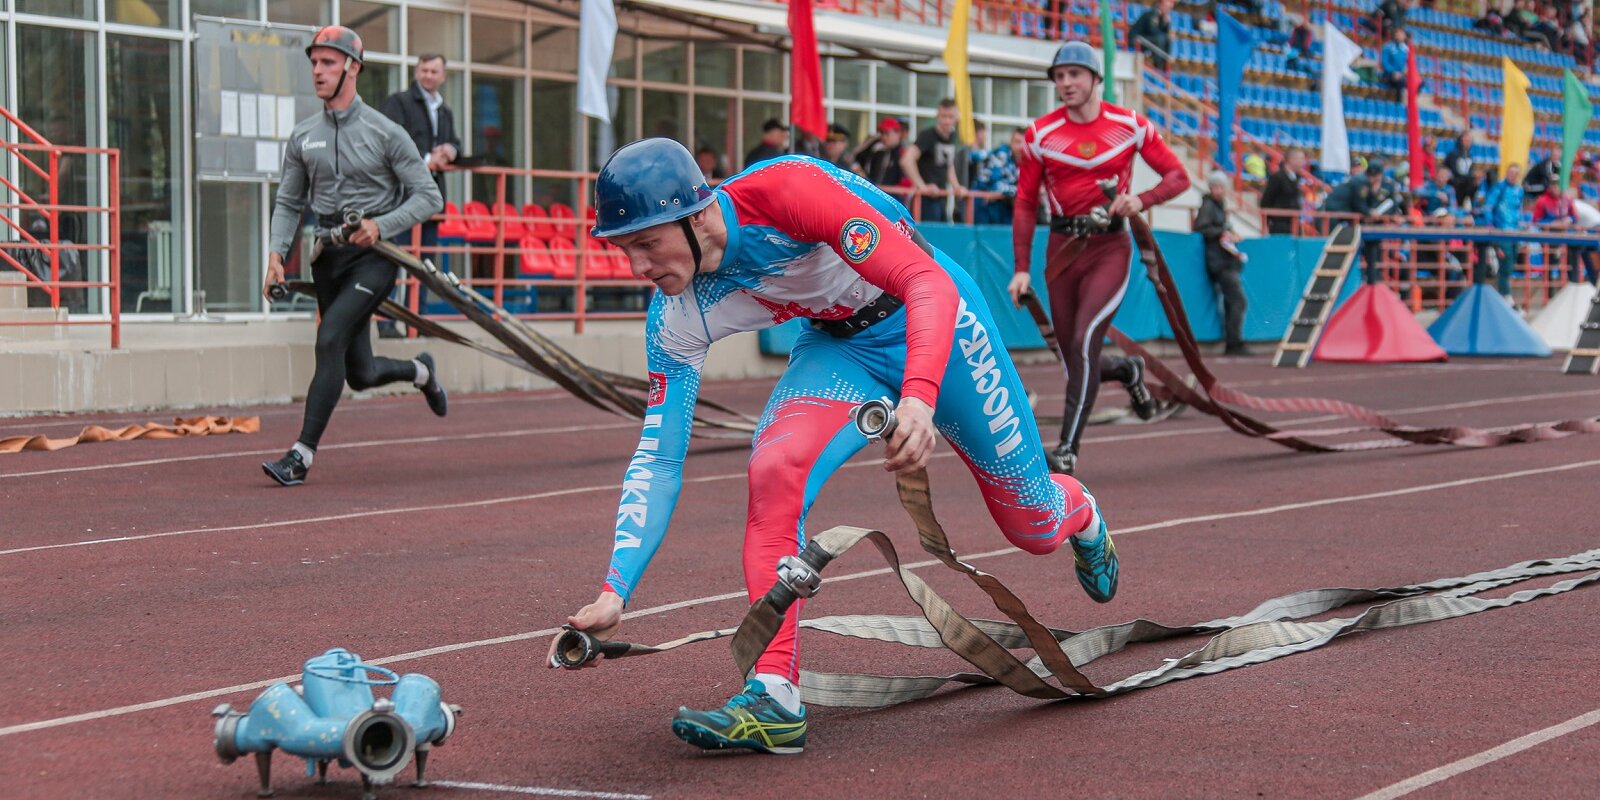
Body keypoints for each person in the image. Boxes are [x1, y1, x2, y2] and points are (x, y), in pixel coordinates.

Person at [549, 139, 1121, 755]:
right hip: (838, 349)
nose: (637, 267)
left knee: (1031, 526)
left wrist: (920, 399)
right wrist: (616, 588)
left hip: (934, 320)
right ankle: (774, 695)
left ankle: (1079, 512)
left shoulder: (786, 191)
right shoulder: (675, 313)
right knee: (773, 470)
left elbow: (925, 280)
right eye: (623, 248)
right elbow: (658, 455)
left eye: (645, 243)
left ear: (695, 214)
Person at [260, 26, 448, 486]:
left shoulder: (387, 132)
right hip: (328, 259)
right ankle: (421, 371)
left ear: (352, 67)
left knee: (329, 342)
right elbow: (288, 203)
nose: (317, 71)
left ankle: (299, 456)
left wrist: (379, 225)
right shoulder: (304, 136)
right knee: (359, 373)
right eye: (314, 62)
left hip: (375, 258)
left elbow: (429, 198)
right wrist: (274, 256)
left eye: (327, 62)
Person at [1007, 40, 1189, 475]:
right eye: (1060, 76)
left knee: (1085, 341)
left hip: (1109, 248)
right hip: (1062, 251)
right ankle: (1128, 371)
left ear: (1094, 79)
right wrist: (1020, 269)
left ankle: (1067, 450)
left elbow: (1178, 177)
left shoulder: (1131, 125)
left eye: (1075, 74)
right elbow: (1025, 204)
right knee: (1075, 357)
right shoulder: (1040, 134)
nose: (1066, 83)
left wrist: (1140, 199)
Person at [379, 53, 462, 338]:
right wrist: (426, 159)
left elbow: (455, 142)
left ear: (443, 76)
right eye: (424, 70)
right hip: (401, 197)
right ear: (417, 72)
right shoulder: (398, 102)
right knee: (394, 259)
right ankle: (387, 322)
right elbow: (388, 141)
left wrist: (450, 150)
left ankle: (419, 320)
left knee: (426, 263)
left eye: (434, 71)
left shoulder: (445, 110)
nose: (428, 75)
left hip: (431, 198)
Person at [1197, 172, 1249, 356]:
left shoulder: (1216, 205)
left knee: (1233, 301)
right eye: (1216, 186)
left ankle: (1233, 342)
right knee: (1238, 300)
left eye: (1221, 186)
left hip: (1223, 260)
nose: (1219, 190)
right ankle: (1234, 342)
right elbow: (1202, 227)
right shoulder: (1209, 206)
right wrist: (1223, 233)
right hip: (1220, 262)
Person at [898, 98, 967, 222]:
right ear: (937, 116)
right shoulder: (927, 135)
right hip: (925, 201)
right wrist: (922, 187)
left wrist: (956, 186)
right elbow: (906, 160)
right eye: (943, 116)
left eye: (950, 117)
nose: (947, 121)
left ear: (956, 118)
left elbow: (948, 164)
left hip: (940, 198)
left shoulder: (952, 137)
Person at [1320, 161, 1385, 283]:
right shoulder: (1362, 182)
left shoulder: (1362, 180)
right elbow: (1360, 205)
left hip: (1336, 216)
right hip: (1333, 217)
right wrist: (1370, 212)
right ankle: (1371, 278)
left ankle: (1371, 277)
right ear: (1378, 175)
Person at [1482, 162, 1525, 297]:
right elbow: (1488, 206)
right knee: (1505, 263)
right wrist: (1490, 225)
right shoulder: (1499, 188)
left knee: (1511, 264)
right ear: (1506, 173)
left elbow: (1519, 210)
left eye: (1516, 174)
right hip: (1501, 232)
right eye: (1511, 173)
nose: (1513, 176)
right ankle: (1504, 295)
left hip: (1515, 232)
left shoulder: (1519, 190)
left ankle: (1503, 294)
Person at [968, 125, 1023, 225]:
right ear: (1011, 142)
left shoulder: (1025, 161)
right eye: (1017, 142)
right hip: (984, 202)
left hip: (1003, 204)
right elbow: (997, 187)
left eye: (1024, 143)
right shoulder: (1002, 154)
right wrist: (1018, 190)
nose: (1020, 147)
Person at [1259, 148, 1307, 235]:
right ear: (1292, 159)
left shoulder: (1296, 177)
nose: (1303, 162)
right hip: (1280, 226)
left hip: (1294, 223)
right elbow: (1266, 200)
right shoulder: (1277, 177)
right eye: (1301, 159)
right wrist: (1268, 222)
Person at [851, 117, 906, 187]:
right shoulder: (877, 152)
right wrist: (870, 141)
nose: (883, 137)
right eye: (881, 133)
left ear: (897, 133)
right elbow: (856, 157)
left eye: (886, 133)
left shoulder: (903, 154)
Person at [1128, 0, 1175, 70]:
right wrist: (1164, 24)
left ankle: (1164, 63)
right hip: (1137, 38)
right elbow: (1153, 31)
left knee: (1167, 39)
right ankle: (1158, 65)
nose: (1168, 9)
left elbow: (1164, 33)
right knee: (1160, 39)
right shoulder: (1153, 13)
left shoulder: (1163, 16)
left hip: (1148, 39)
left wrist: (1166, 24)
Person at [1443, 131, 1476, 204]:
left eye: (1469, 141)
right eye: (1465, 140)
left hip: (1465, 184)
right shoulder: (1453, 154)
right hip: (1455, 184)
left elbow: (1470, 171)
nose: (1467, 143)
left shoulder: (1470, 156)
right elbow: (1450, 170)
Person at [1379, 28, 1410, 93]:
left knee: (1419, 82)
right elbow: (1384, 63)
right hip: (1388, 74)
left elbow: (1408, 63)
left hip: (1401, 75)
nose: (1400, 36)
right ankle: (1398, 102)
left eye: (1402, 34)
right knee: (1400, 81)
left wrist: (1406, 71)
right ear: (1395, 35)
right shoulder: (1387, 47)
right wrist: (1393, 72)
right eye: (1398, 34)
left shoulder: (1406, 49)